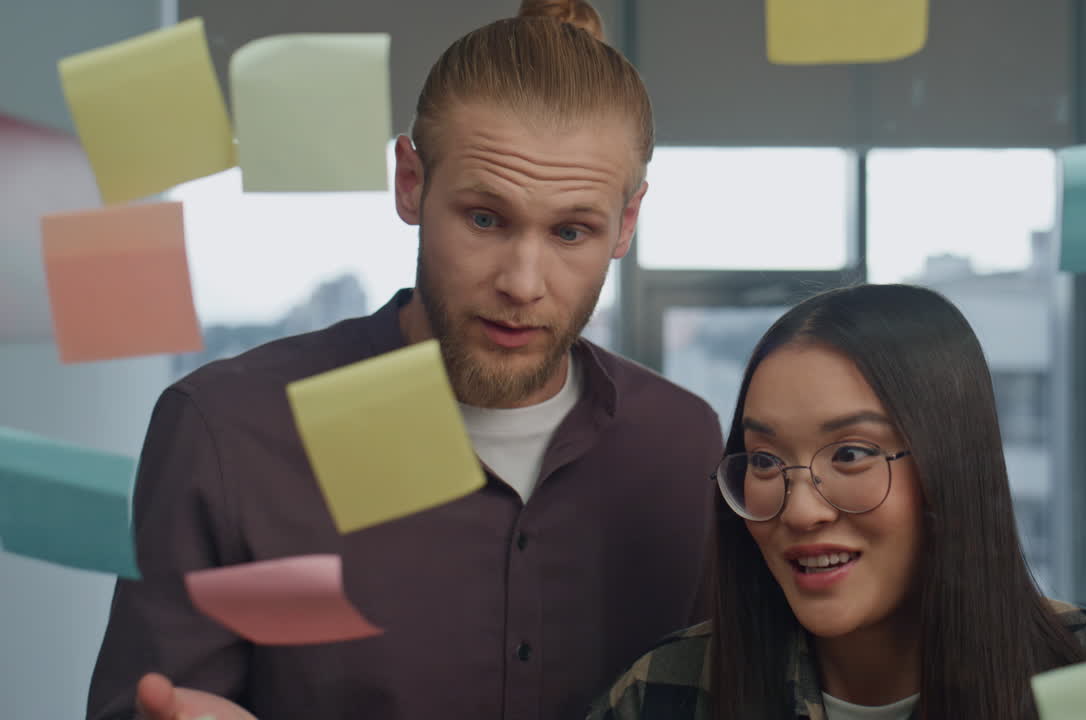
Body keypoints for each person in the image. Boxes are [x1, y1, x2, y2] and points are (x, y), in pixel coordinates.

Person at [86, 2, 723, 719]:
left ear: (626, 224)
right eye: (485, 219)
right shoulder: (229, 434)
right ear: (411, 183)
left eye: (571, 231)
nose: (522, 281)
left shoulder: (683, 446)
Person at [589, 284, 1086, 720]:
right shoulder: (662, 691)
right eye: (764, 461)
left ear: (948, 467)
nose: (802, 511)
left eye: (852, 454)